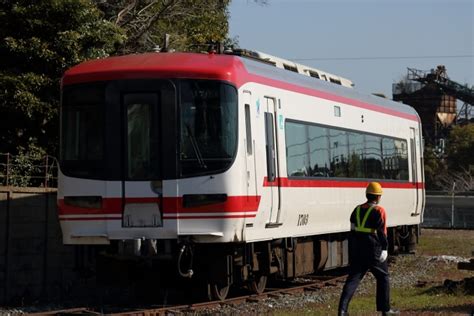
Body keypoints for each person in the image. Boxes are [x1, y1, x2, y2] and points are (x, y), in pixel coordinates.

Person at [338, 182, 399, 316]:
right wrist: (385, 248)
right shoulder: (379, 211)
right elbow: (382, 232)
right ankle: (385, 310)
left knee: (353, 279)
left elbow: (352, 230)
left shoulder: (357, 209)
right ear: (377, 197)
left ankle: (342, 311)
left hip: (358, 248)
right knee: (383, 277)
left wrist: (353, 248)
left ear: (367, 195)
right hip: (373, 249)